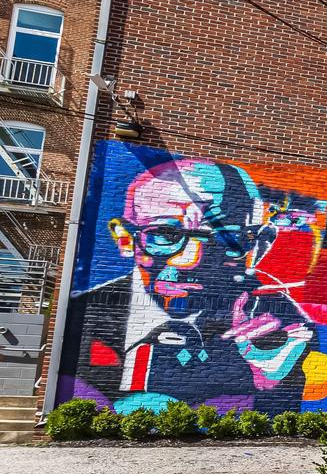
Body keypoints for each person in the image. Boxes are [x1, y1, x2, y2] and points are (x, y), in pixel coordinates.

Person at [65, 156, 312, 411]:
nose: (189, 260)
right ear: (126, 239)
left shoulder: (284, 323)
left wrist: (270, 383)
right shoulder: (83, 313)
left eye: (226, 238)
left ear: (260, 245)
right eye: (163, 234)